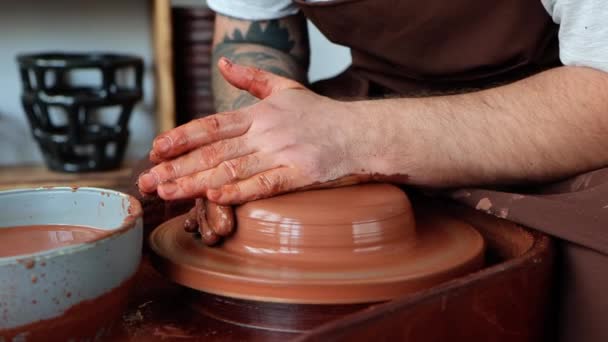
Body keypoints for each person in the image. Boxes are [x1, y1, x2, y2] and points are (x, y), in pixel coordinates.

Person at [138, 1, 608, 341]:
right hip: (372, 96)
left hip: (552, 112)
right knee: (155, 212)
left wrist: (356, 139)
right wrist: (247, 150)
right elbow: (256, 33)